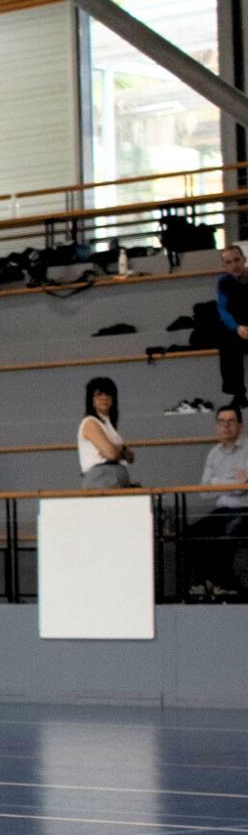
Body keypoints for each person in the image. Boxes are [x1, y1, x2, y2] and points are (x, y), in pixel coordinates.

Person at [187, 404, 248, 598]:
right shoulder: (214, 453)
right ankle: (209, 581)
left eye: (231, 421)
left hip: (244, 510)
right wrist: (231, 481)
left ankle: (226, 584)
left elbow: (241, 488)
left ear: (240, 425)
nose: (226, 426)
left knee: (226, 535)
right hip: (222, 511)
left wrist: (217, 482)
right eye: (222, 422)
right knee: (190, 535)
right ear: (217, 426)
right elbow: (204, 492)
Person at [79, 376, 137, 489]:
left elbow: (131, 457)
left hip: (116, 477)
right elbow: (110, 453)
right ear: (91, 400)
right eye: (99, 395)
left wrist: (118, 449)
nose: (104, 398)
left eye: (108, 395)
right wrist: (121, 449)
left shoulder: (108, 424)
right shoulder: (90, 422)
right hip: (102, 478)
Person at [213, 245, 248, 410]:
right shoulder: (224, 282)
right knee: (226, 342)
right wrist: (237, 327)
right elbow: (223, 309)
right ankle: (238, 393)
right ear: (224, 267)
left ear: (244, 260)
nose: (234, 265)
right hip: (238, 326)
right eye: (228, 262)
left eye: (236, 260)